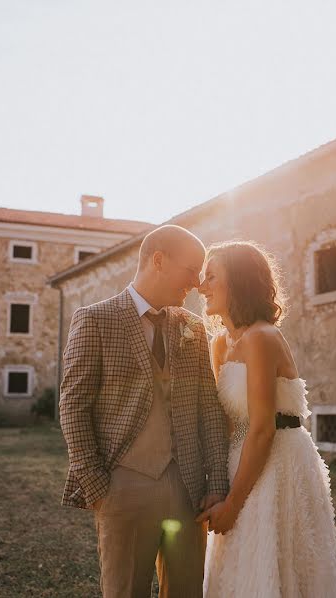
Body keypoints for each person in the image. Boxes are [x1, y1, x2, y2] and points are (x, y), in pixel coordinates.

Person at [59, 224, 229, 598]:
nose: (197, 283)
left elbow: (209, 411)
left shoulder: (193, 328)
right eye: (191, 270)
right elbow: (73, 404)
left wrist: (216, 484)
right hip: (122, 487)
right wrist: (98, 486)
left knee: (187, 593)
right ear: (158, 260)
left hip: (189, 490)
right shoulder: (95, 320)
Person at [196, 240, 336, 597]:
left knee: (278, 568)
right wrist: (216, 485)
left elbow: (263, 428)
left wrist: (232, 505)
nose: (202, 287)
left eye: (212, 277)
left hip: (278, 461)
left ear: (239, 281)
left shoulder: (262, 337)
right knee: (237, 567)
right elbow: (229, 422)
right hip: (240, 459)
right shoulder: (221, 344)